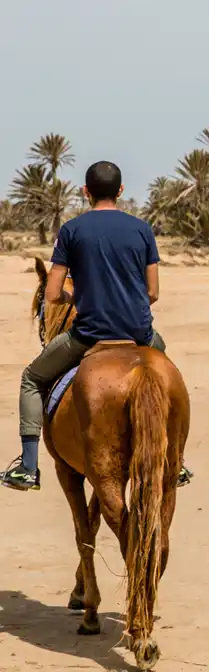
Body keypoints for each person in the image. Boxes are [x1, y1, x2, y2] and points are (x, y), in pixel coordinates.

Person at [1, 161, 194, 491]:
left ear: (85, 192)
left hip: (89, 333)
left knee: (31, 379)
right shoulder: (142, 230)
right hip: (140, 333)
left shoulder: (72, 230)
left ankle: (29, 467)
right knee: (167, 375)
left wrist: (70, 296)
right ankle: (174, 460)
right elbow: (153, 292)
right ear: (120, 191)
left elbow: (51, 294)